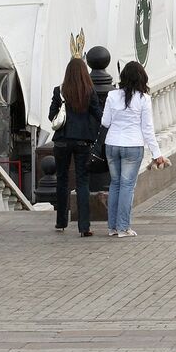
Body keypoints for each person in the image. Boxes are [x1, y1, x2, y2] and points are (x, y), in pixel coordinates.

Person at [101, 60, 170, 237]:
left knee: (115, 184)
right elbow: (147, 129)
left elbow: (105, 122)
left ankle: (113, 227)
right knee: (127, 187)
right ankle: (124, 227)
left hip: (112, 144)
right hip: (132, 145)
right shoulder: (144, 99)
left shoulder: (112, 96)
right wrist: (157, 154)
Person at [49, 54, 106, 235]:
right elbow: (99, 116)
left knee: (62, 180)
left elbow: (52, 116)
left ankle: (61, 222)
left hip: (62, 141)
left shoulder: (60, 91)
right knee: (82, 182)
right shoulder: (89, 92)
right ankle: (84, 227)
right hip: (83, 141)